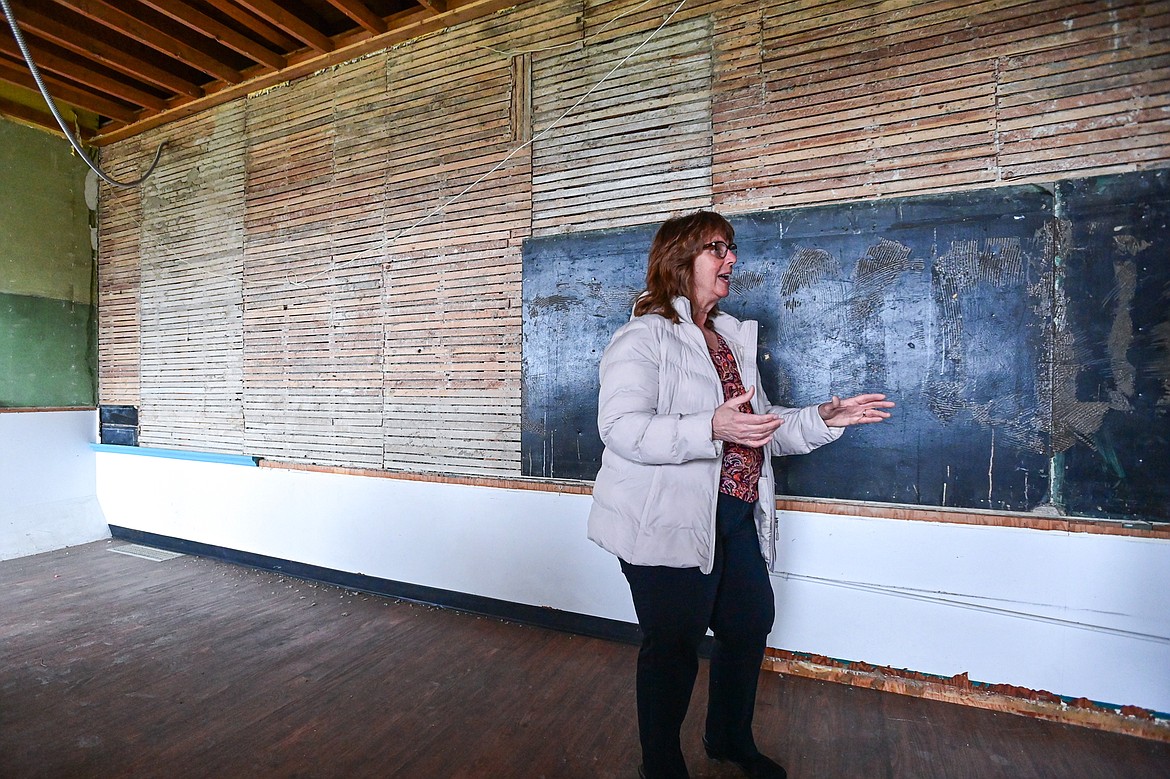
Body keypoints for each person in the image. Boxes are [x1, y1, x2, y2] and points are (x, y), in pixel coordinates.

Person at [588, 211, 894, 779]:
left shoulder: (729, 337)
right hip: (666, 522)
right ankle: (660, 765)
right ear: (679, 260)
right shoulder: (641, 338)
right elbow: (622, 429)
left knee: (750, 623)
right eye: (716, 248)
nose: (731, 260)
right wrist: (711, 427)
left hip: (734, 517)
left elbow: (759, 424)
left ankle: (728, 738)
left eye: (731, 249)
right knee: (673, 647)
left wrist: (826, 418)